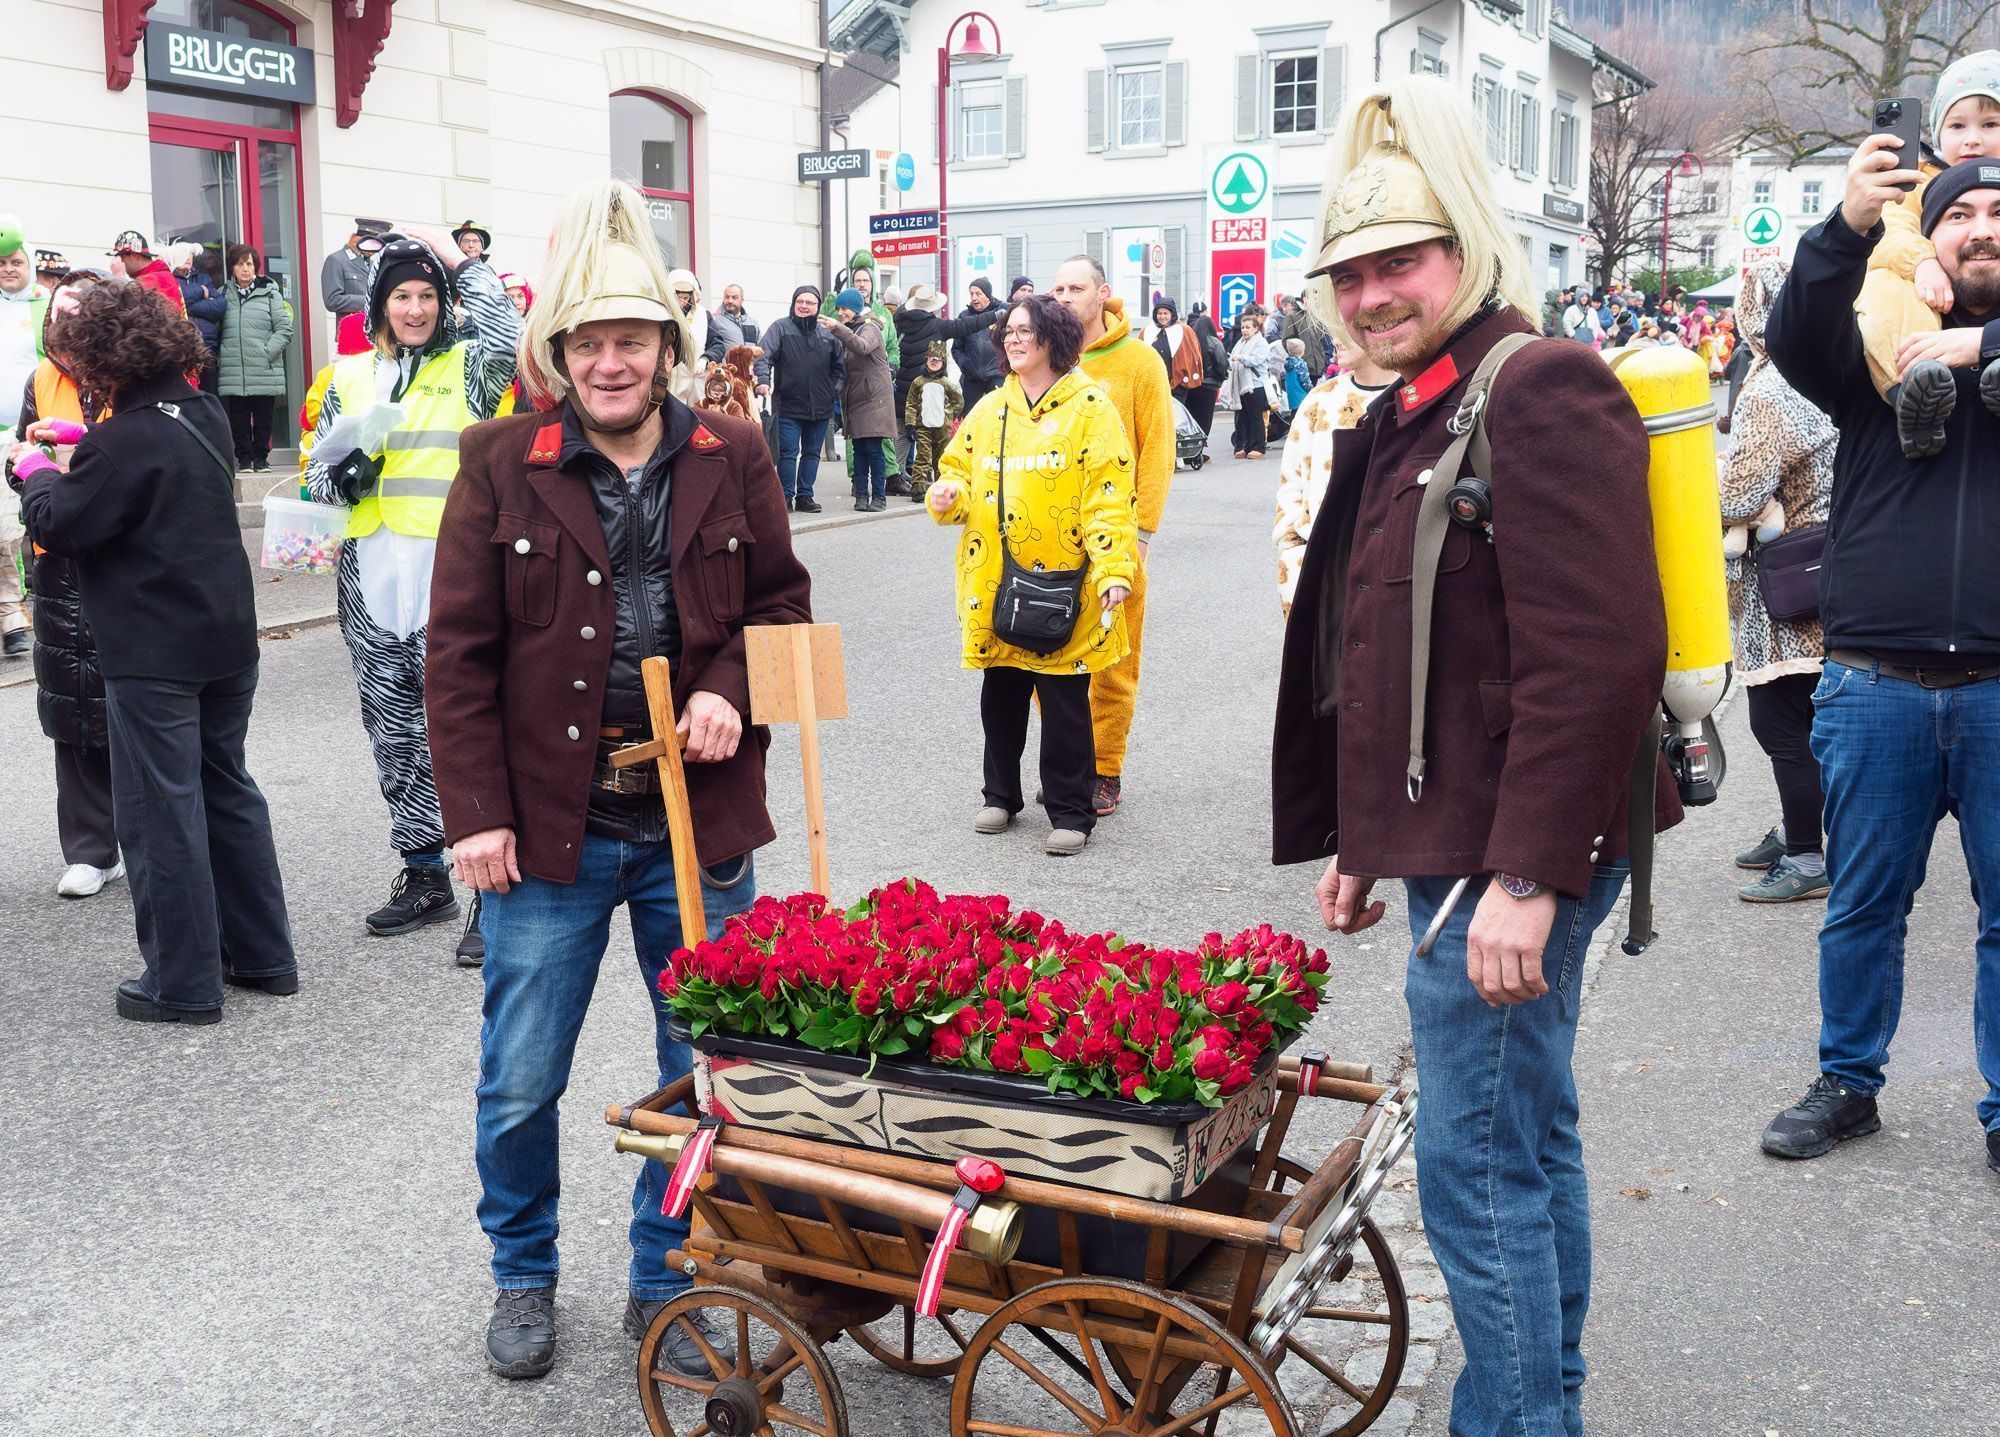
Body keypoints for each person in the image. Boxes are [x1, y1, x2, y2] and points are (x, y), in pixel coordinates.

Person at [1274, 77, 1674, 1437]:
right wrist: (1357, 836)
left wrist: (1527, 876)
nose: (1375, 293)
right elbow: (1396, 651)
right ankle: (1538, 1402)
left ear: (1465, 255)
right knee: (1525, 1142)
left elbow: (1601, 651)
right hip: (1462, 843)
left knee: (1478, 1165)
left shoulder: (1534, 381)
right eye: (1354, 273)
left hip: (1513, 851)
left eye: (1402, 263)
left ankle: (1513, 1422)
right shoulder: (1416, 399)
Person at [425, 176, 812, 1380]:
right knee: (519, 1079)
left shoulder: (733, 451)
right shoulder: (499, 461)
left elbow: (779, 605)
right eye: (589, 342)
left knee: (700, 1069)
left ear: (664, 348)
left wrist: (725, 690)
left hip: (701, 833)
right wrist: (475, 818)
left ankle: (666, 1265)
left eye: (630, 340)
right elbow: (458, 656)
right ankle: (523, 1276)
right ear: (560, 351)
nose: (610, 362)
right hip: (548, 837)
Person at [1761, 147, 2000, 1176]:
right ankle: (1846, 1084)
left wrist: (1966, 347)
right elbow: (1793, 333)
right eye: (1961, 214)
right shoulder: (1869, 368)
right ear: (1928, 238)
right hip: (1872, 685)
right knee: (1862, 904)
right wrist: (1844, 228)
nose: (1982, 227)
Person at [13, 281, 295, 1023]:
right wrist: (81, 447)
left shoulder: (122, 439)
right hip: (226, 636)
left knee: (157, 811)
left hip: (154, 648)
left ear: (107, 358)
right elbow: (150, 477)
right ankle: (264, 957)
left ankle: (182, 981)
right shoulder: (197, 411)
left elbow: (63, 522)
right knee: (227, 789)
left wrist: (37, 469)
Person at [304, 226, 521, 948]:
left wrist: (463, 262)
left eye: (429, 294)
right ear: (379, 303)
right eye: (403, 294)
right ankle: (424, 868)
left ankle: (493, 889)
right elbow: (315, 475)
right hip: (372, 572)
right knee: (394, 727)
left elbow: (507, 329)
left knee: (467, 723)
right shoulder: (347, 376)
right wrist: (335, 477)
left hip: (453, 570)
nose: (417, 308)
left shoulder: (471, 366)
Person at [927, 293, 1135, 856]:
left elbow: (1109, 494)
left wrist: (1115, 567)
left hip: (1065, 586)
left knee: (1065, 704)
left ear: (1054, 339)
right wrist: (948, 493)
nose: (1014, 339)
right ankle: (1000, 796)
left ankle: (1071, 810)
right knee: (1001, 696)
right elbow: (956, 469)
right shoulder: (991, 407)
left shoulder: (1091, 406)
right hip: (997, 582)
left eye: (1025, 330)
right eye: (1009, 332)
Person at [1718, 258, 1836, 905]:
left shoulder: (1772, 388)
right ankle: (1804, 824)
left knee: (1782, 721)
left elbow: (1737, 496)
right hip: (1834, 559)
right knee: (1817, 716)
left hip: (1793, 576)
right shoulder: (1827, 361)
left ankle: (1806, 853)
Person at [1049, 254, 1175, 818]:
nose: (1065, 297)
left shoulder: (1138, 362)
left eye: (1076, 287)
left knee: (1112, 659)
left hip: (1115, 536)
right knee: (1047, 655)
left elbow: (1158, 452)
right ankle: (1065, 764)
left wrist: (1142, 530)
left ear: (1103, 294)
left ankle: (1105, 769)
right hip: (1048, 537)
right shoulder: (1043, 361)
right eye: (1057, 288)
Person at [13, 270, 121, 897]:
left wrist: (72, 458)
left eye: (79, 309)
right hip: (57, 552)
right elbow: (22, 466)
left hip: (117, 552)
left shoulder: (129, 373)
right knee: (69, 702)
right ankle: (89, 848)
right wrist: (24, 466)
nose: (67, 320)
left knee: (125, 699)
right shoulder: (41, 379)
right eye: (59, 310)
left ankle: (139, 832)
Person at [1853, 52, 1998, 457]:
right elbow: (1890, 228)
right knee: (1882, 285)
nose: (1972, 138)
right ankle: (1912, 388)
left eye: (1989, 124)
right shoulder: (1915, 180)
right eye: (1957, 125)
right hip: (1927, 293)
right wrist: (1922, 262)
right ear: (1938, 132)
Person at [1273, 337, 1395, 617]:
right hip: (1322, 568)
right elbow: (1291, 483)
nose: (1335, 338)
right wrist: (1293, 556)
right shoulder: (1320, 399)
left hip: (1392, 573)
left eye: (1345, 328)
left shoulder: (1416, 395)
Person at [892, 282, 1001, 478]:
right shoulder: (937, 326)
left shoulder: (899, 322)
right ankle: (928, 475)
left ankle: (896, 475)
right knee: (930, 436)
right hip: (930, 391)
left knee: (902, 432)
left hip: (903, 388)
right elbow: (968, 325)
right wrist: (996, 315)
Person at [0, 218, 44, 660]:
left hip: (32, 434)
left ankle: (17, 613)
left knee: (16, 528)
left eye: (16, 262)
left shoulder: (45, 306)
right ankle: (10, 614)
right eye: (2, 263)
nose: (9, 269)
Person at [764, 284, 844, 513]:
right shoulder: (780, 328)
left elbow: (840, 369)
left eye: (810, 303)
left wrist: (833, 392)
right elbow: (764, 356)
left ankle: (805, 496)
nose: (804, 306)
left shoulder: (828, 332)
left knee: (811, 453)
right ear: (794, 303)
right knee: (788, 452)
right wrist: (762, 380)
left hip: (821, 405)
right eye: (800, 302)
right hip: (788, 404)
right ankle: (785, 496)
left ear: (817, 306)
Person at [217, 244, 293, 474]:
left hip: (263, 367)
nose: (245, 269)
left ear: (256, 268)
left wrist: (267, 351)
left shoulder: (270, 293)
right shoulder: (222, 294)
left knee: (263, 417)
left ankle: (261, 458)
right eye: (240, 264)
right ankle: (245, 459)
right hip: (234, 369)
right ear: (232, 267)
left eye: (249, 264)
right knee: (239, 418)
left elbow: (284, 330)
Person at [821, 286, 895, 511]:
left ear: (854, 308)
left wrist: (837, 328)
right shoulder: (853, 328)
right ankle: (861, 496)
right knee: (860, 450)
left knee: (873, 449)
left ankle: (879, 498)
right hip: (857, 400)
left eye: (844, 309)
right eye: (838, 309)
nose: (840, 313)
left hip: (873, 401)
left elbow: (861, 347)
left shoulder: (869, 327)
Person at [902, 340, 961, 502]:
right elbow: (911, 404)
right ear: (926, 361)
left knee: (941, 458)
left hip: (943, 428)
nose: (934, 363)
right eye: (931, 360)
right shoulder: (918, 382)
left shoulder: (948, 384)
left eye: (938, 360)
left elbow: (958, 402)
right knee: (922, 456)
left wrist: (949, 417)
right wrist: (910, 424)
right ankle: (918, 488)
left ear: (943, 363)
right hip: (923, 426)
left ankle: (941, 488)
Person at [1144, 299, 1206, 420]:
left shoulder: (1184, 331)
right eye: (1159, 313)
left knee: (1175, 418)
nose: (1162, 317)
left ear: (1172, 314)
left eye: (1165, 313)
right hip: (1153, 384)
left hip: (1178, 384)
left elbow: (1193, 355)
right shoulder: (1147, 331)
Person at [954, 276, 1005, 414]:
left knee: (997, 416)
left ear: (988, 295)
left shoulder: (1001, 312)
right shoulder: (964, 316)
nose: (974, 298)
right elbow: (956, 348)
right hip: (972, 379)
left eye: (978, 293)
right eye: (971, 294)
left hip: (997, 376)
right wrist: (966, 365)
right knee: (970, 417)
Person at [1227, 309, 1271, 458]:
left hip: (1255, 385)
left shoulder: (1261, 342)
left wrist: (1241, 358)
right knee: (1241, 417)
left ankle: (1258, 447)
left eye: (1248, 327)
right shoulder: (1240, 342)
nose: (1244, 330)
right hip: (1241, 384)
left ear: (1256, 329)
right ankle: (1242, 446)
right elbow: (1232, 356)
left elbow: (1256, 360)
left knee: (1255, 417)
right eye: (1243, 327)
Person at [108, 232, 184, 311]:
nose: (119, 263)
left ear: (134, 256)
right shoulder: (161, 275)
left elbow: (131, 311)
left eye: (121, 258)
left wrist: (119, 277)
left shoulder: (152, 280)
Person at [1185, 301, 1227, 437]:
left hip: (1192, 385)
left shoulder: (1190, 343)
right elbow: (1222, 364)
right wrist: (1220, 378)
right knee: (1205, 418)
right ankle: (1201, 448)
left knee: (1192, 417)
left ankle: (1192, 448)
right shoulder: (1214, 342)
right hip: (1209, 385)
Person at [320, 226, 373, 321]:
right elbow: (332, 301)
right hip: (350, 332)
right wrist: (369, 300)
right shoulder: (336, 260)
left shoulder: (372, 263)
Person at [1281, 292, 1330, 377]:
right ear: (1305, 299)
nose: (1317, 302)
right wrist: (1298, 360)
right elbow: (1287, 341)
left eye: (1317, 299)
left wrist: (1324, 362)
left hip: (1318, 368)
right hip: (1301, 368)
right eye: (1314, 299)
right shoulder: (1292, 316)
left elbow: (1324, 341)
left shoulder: (1316, 316)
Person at [1280, 337, 1313, 418]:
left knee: (1294, 416)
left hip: (1292, 397)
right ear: (1302, 351)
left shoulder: (1288, 364)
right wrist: (1312, 390)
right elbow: (1305, 381)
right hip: (1301, 396)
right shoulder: (1301, 364)